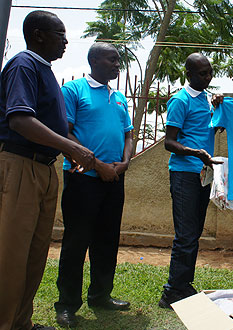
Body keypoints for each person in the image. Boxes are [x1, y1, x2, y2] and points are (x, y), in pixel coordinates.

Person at [0, 10, 95, 330]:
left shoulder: (44, 70)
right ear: (38, 34)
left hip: (43, 169)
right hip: (20, 165)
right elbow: (20, 119)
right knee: (11, 256)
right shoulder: (23, 64)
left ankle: (20, 322)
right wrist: (70, 146)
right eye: (60, 34)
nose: (67, 41)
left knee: (34, 253)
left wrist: (64, 149)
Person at [54, 42, 133, 327]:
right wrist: (97, 165)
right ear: (94, 60)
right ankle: (67, 305)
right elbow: (65, 132)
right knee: (77, 241)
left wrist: (124, 163)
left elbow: (128, 134)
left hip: (114, 179)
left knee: (107, 240)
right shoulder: (73, 90)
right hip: (83, 178)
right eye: (112, 59)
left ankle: (101, 295)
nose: (117, 64)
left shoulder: (120, 97)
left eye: (118, 60)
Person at [158, 53, 223, 309]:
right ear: (188, 75)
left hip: (202, 175)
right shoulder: (180, 100)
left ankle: (183, 285)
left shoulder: (207, 100)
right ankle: (171, 292)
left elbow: (203, 129)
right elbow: (169, 142)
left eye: (209, 72)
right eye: (201, 74)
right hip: (185, 173)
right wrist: (196, 153)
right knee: (185, 234)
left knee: (193, 233)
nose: (207, 77)